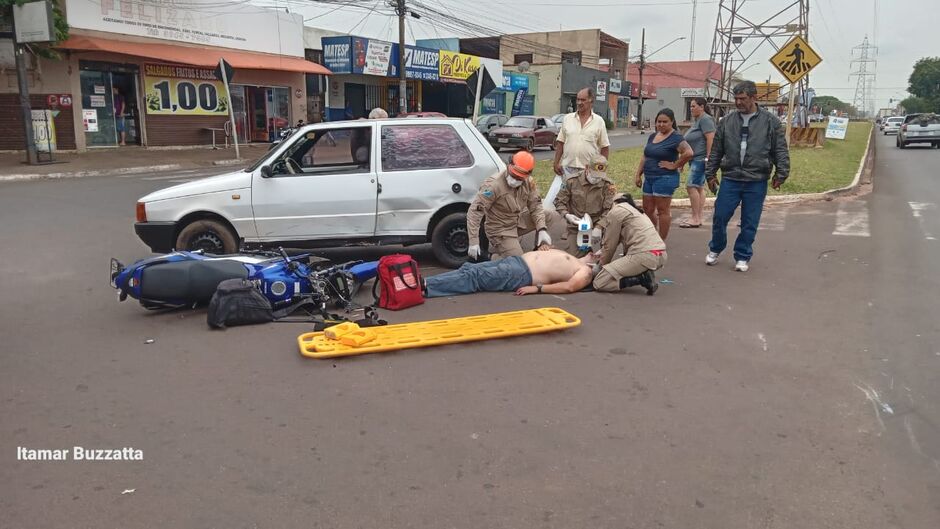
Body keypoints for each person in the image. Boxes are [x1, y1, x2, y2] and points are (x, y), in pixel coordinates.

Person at [705, 80, 790, 272]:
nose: (738, 102)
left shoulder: (771, 122)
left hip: (756, 180)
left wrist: (781, 173)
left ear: (754, 98)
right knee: (720, 216)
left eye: (742, 98)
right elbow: (716, 150)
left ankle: (742, 255)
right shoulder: (726, 122)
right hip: (731, 178)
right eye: (736, 98)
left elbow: (780, 150)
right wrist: (710, 174)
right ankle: (716, 248)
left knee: (750, 221)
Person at [467, 151, 552, 260]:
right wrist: (473, 241)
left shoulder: (528, 183)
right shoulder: (493, 185)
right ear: (509, 166)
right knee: (518, 262)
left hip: (517, 222)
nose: (515, 180)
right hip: (500, 229)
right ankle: (488, 257)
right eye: (513, 175)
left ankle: (538, 247)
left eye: (519, 178)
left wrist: (541, 229)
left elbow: (536, 206)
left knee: (548, 215)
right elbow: (475, 212)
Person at [424, 249, 596, 298]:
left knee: (473, 277)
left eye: (601, 256)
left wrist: (537, 289)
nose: (598, 253)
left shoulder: (585, 271)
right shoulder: (578, 259)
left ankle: (425, 286)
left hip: (522, 274)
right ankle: (426, 283)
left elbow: (569, 287)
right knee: (470, 269)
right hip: (516, 262)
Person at [633, 108, 693, 240]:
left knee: (662, 211)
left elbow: (688, 153)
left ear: (671, 122)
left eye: (665, 122)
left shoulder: (676, 138)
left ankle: (661, 241)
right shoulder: (653, 136)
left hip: (664, 179)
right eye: (659, 122)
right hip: (649, 178)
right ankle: (653, 235)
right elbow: (645, 156)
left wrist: (675, 165)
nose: (661, 124)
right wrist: (638, 174)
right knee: (647, 209)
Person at [593, 195, 666, 296]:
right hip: (660, 255)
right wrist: (602, 251)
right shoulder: (637, 211)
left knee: (600, 282)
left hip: (644, 256)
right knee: (623, 266)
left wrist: (600, 267)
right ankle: (642, 274)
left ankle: (641, 279)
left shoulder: (616, 211)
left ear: (613, 203)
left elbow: (610, 246)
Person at [551, 87, 611, 203]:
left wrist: (600, 170)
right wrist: (556, 162)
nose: (579, 103)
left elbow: (604, 147)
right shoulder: (568, 119)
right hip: (567, 169)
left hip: (587, 170)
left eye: (583, 100)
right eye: (578, 100)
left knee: (584, 202)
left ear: (591, 101)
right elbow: (561, 142)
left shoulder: (599, 122)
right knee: (564, 200)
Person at [553, 152, 616, 256]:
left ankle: (602, 259)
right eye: (594, 175)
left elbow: (610, 209)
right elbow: (559, 201)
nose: (596, 179)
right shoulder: (571, 181)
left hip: (599, 222)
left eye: (599, 177)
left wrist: (600, 226)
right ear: (587, 168)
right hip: (577, 224)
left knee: (607, 250)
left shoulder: (608, 185)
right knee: (575, 257)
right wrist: (567, 215)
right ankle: (586, 250)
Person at [680, 97, 716, 228]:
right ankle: (698, 217)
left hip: (701, 159)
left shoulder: (705, 119)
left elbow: (710, 139)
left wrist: (708, 158)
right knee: (699, 187)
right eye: (690, 106)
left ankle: (695, 218)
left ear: (702, 107)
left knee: (691, 186)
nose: (691, 108)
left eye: (694, 106)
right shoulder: (698, 120)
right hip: (694, 159)